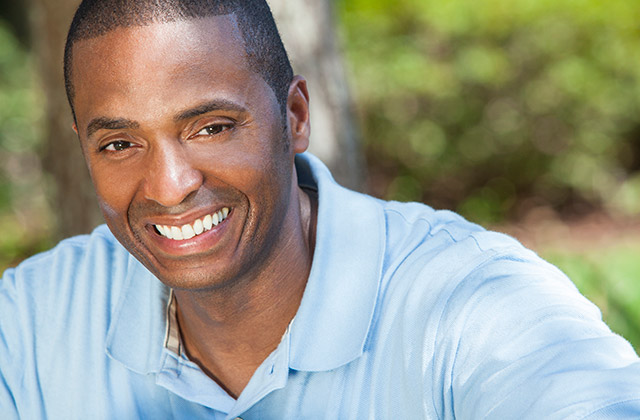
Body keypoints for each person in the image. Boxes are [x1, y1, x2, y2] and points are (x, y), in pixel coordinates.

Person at [1, 0, 640, 418]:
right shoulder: (32, 322)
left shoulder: (473, 304)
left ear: (295, 116)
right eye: (119, 143)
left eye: (212, 128)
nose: (169, 186)